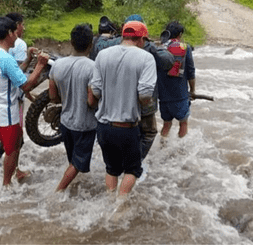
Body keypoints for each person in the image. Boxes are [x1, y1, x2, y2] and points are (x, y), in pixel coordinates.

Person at [89, 20, 157, 195]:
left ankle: (110, 200)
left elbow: (95, 90)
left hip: (103, 127)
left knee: (111, 169)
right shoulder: (146, 58)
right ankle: (119, 208)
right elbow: (144, 95)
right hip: (126, 127)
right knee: (132, 170)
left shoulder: (103, 55)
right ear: (141, 39)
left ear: (124, 36)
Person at [91, 14, 172, 160]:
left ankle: (112, 162)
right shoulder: (147, 47)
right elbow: (168, 62)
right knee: (148, 133)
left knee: (110, 137)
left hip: (110, 103)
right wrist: (151, 47)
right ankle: (135, 162)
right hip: (143, 105)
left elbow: (96, 49)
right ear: (142, 35)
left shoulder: (107, 46)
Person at [0, 17, 49, 186]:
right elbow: (26, 85)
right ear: (9, 34)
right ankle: (7, 185)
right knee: (12, 150)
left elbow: (12, 76)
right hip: (7, 114)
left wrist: (28, 60)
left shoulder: (4, 58)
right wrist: (40, 65)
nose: (17, 36)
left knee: (13, 144)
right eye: (15, 32)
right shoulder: (6, 59)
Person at [49, 24, 97, 191]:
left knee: (73, 160)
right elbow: (91, 102)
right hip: (84, 124)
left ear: (71, 42)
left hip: (65, 122)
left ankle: (73, 188)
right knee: (77, 163)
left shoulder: (57, 65)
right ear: (91, 44)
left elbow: (53, 97)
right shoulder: (92, 67)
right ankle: (58, 191)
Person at [157, 21, 196, 139]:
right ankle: (181, 151)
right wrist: (192, 90)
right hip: (180, 95)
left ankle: (162, 147)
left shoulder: (160, 48)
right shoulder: (185, 48)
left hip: (163, 95)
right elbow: (190, 72)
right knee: (183, 123)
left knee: (166, 125)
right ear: (180, 34)